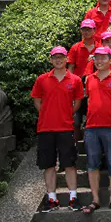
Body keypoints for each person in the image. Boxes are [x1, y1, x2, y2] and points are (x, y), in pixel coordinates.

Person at [31, 46, 84, 212]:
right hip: (45, 128)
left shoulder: (75, 80)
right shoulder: (42, 79)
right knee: (48, 164)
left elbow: (78, 102)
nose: (58, 60)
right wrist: (48, 113)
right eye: (55, 57)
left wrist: (65, 113)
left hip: (66, 127)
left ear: (67, 59)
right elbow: (37, 101)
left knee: (69, 164)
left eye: (61, 57)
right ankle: (52, 199)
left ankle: (73, 197)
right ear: (51, 60)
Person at [81, 46, 111, 215]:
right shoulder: (89, 79)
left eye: (103, 58)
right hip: (91, 128)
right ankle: (95, 199)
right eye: (96, 58)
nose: (99, 61)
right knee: (92, 163)